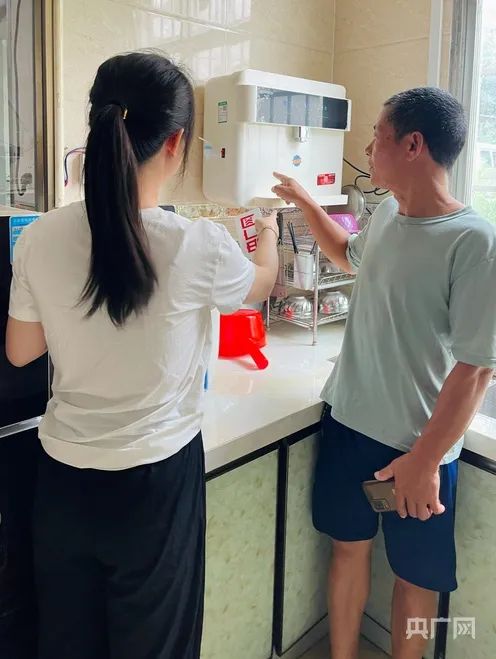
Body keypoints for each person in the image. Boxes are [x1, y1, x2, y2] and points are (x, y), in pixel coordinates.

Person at [6, 52, 279, 659]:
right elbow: (260, 287)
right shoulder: (197, 243)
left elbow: (21, 351)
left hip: (62, 482)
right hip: (154, 486)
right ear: (176, 143)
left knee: (67, 646)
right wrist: (266, 230)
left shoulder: (41, 235)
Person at [272, 87, 496, 659]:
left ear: (413, 145)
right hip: (349, 421)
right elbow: (350, 255)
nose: (369, 147)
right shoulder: (388, 212)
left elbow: (476, 368)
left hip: (416, 447)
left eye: (377, 135)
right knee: (348, 548)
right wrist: (305, 201)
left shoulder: (474, 242)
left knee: (415, 578)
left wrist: (425, 460)